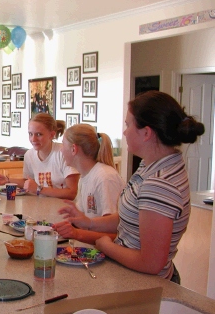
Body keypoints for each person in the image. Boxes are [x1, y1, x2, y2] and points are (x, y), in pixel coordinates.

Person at [54, 91, 205, 281]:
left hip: (146, 283)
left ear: (147, 133)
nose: (124, 132)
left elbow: (151, 263)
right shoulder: (150, 165)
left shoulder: (159, 184)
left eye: (128, 125)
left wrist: (107, 245)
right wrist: (89, 222)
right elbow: (132, 217)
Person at [56, 124, 125, 242]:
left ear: (74, 149)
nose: (61, 149)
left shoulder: (104, 177)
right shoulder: (84, 177)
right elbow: (85, 222)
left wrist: (77, 233)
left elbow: (115, 233)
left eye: (63, 144)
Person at [0, 113, 79, 200]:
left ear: (52, 135)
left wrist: (39, 189)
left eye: (39, 134)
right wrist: (7, 180)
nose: (33, 139)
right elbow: (28, 183)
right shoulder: (29, 155)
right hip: (41, 207)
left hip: (63, 209)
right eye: (30, 134)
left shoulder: (63, 153)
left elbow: (72, 193)